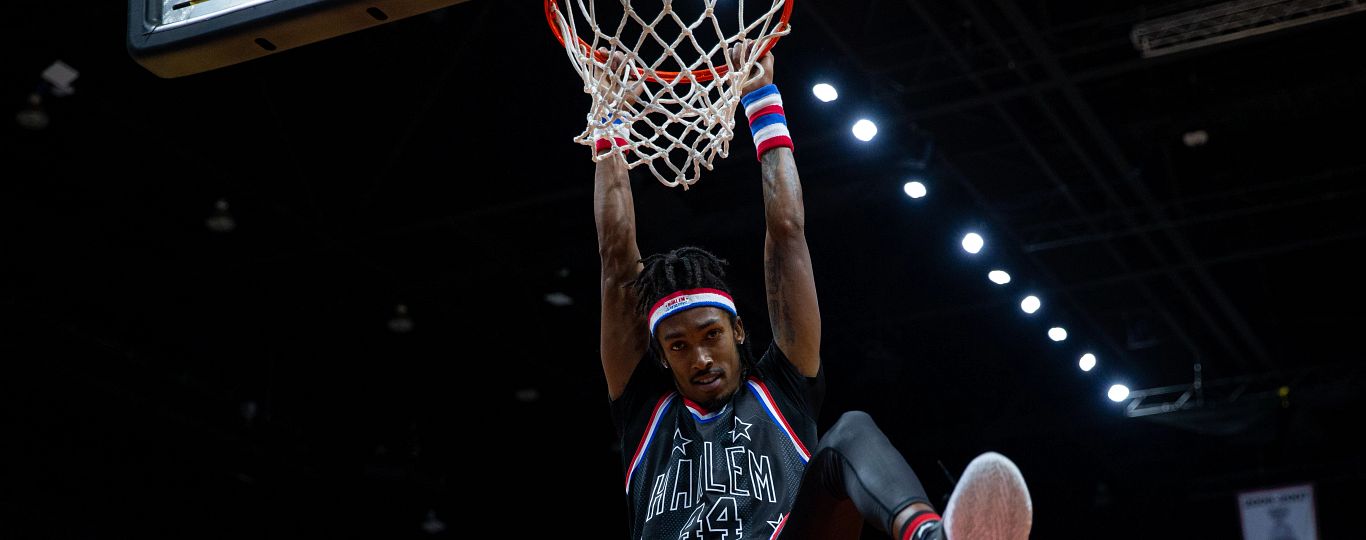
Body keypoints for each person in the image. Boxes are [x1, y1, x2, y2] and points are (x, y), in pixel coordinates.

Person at [592, 42, 1034, 539]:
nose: (700, 357)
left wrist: (762, 99)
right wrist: (610, 116)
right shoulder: (645, 412)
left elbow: (787, 232)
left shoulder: (781, 388)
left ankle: (930, 535)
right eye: (678, 345)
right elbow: (615, 257)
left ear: (738, 330)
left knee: (851, 431)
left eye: (710, 334)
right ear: (660, 354)